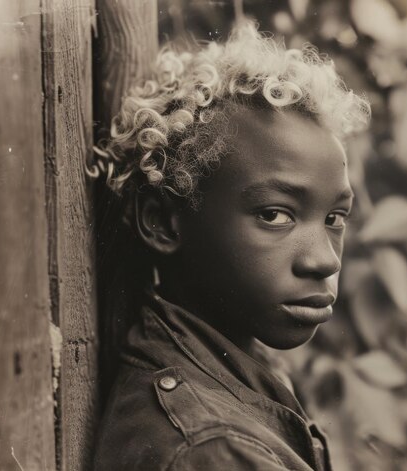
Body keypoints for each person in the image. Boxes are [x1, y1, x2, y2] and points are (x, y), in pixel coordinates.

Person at [91, 20, 370, 470]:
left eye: (334, 218)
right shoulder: (215, 451)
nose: (325, 260)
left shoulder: (238, 366)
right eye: (274, 214)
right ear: (162, 222)